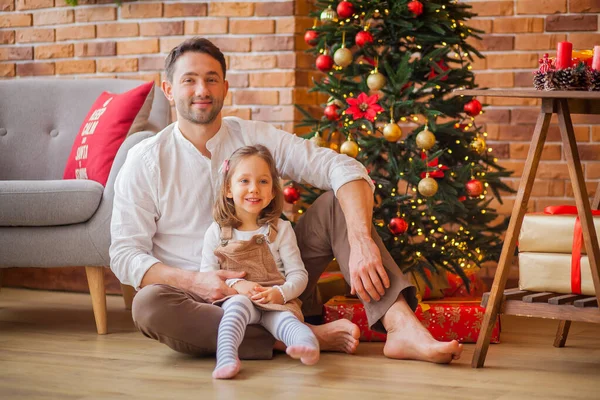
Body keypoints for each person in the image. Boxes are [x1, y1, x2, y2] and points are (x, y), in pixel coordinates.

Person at [110, 36, 463, 365]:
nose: (201, 90)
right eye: (189, 80)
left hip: (281, 281)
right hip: (205, 301)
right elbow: (125, 255)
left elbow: (341, 167)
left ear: (225, 88)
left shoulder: (253, 135)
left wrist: (360, 240)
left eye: (212, 79)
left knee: (336, 203)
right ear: (169, 90)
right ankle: (293, 337)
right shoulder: (145, 160)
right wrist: (195, 282)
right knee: (149, 306)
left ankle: (401, 327)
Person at [202, 144, 319, 379]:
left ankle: (307, 344)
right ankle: (226, 356)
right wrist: (237, 286)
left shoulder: (281, 230)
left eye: (263, 182)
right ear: (228, 189)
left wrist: (280, 293)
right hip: (237, 300)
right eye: (244, 181)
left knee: (285, 318)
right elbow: (207, 276)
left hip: (274, 301)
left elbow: (298, 274)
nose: (254, 189)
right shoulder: (216, 232)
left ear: (274, 191)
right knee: (237, 307)